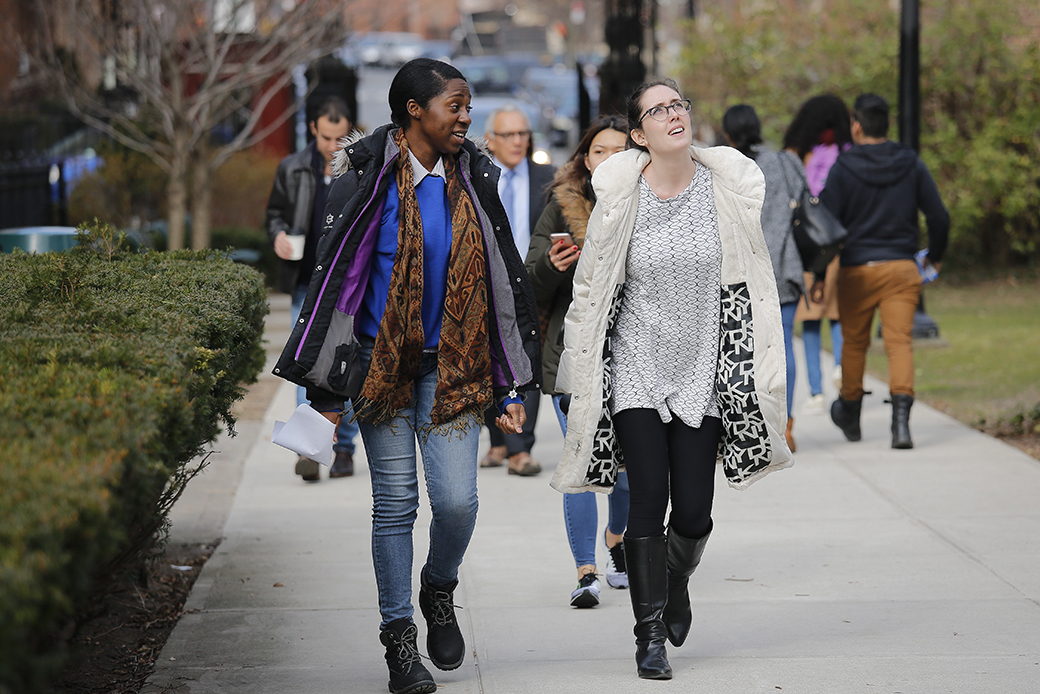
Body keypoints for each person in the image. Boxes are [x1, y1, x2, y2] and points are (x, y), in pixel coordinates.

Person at [272, 59, 541, 694]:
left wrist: (509, 381)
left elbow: (499, 282)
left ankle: (437, 588)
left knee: (456, 502)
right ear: (415, 111)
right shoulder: (365, 179)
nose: (467, 118)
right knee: (394, 504)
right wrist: (326, 390)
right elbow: (336, 283)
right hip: (382, 370)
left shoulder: (473, 176)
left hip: (455, 365)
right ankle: (399, 643)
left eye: (469, 106)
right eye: (457, 106)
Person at [552, 80, 792, 680]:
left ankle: (676, 580)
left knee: (693, 514)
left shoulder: (727, 193)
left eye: (678, 105)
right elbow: (596, 285)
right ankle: (649, 634)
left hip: (702, 368)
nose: (672, 115)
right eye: (657, 111)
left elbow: (751, 283)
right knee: (646, 506)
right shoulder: (621, 197)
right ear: (639, 135)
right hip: (637, 365)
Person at [525, 115, 631, 608]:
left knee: (628, 468)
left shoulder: (653, 203)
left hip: (634, 355)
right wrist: (551, 265)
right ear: (585, 160)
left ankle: (617, 540)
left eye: (618, 150)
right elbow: (529, 281)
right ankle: (586, 571)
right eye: (598, 151)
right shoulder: (561, 208)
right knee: (581, 463)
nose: (608, 159)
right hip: (573, 355)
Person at [820, 93, 949, 449]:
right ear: (886, 125)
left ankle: (850, 413)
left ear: (857, 126)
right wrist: (935, 257)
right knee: (899, 343)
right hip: (901, 269)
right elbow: (939, 216)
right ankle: (901, 426)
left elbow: (826, 224)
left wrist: (819, 273)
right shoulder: (910, 162)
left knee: (855, 344)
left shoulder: (844, 168)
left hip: (857, 270)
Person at [266, 96, 360, 480]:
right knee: (305, 367)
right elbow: (273, 213)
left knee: (344, 364)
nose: (334, 146)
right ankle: (309, 447)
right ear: (312, 130)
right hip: (306, 285)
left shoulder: (360, 168)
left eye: (341, 138)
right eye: (326, 137)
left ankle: (343, 448)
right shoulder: (292, 169)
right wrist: (278, 235)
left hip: (348, 288)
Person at [478, 104, 556, 477]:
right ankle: (497, 440)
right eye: (508, 134)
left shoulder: (548, 178)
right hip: (486, 284)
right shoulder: (476, 178)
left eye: (523, 133)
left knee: (527, 362)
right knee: (490, 360)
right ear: (489, 140)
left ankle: (520, 448)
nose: (517, 141)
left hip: (533, 285)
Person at [721, 103, 804, 452]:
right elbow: (804, 201)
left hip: (738, 273)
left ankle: (742, 427)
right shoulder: (783, 163)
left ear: (727, 133)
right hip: (782, 269)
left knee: (736, 350)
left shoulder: (723, 168)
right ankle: (784, 427)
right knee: (782, 348)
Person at [784, 95, 853, 415]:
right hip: (842, 242)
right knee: (838, 315)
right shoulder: (847, 153)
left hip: (811, 244)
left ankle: (815, 390)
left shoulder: (802, 155)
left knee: (810, 320)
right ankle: (841, 367)